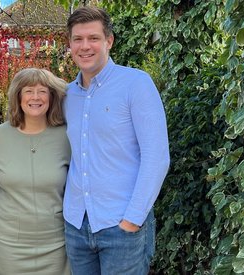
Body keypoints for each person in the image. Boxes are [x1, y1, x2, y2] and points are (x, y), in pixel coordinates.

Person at [63, 7, 170, 275]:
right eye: (78, 39)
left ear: (109, 41)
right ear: (70, 44)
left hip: (121, 228)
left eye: (93, 38)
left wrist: (132, 220)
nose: (85, 46)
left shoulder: (136, 84)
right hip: (77, 226)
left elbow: (156, 158)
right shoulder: (67, 95)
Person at [0, 68, 71, 275]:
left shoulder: (67, 137)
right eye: (28, 91)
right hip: (6, 245)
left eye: (42, 91)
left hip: (56, 244)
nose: (35, 97)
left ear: (52, 97)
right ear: (18, 96)